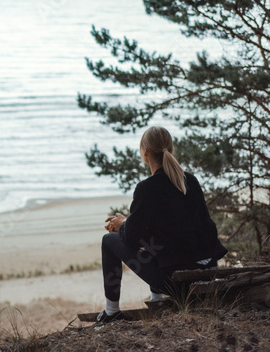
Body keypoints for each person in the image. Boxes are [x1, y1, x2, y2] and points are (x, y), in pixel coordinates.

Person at [96, 125, 227, 323]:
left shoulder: (147, 189)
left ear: (145, 153)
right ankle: (157, 300)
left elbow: (131, 238)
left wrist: (122, 224)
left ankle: (112, 312)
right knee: (156, 235)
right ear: (171, 149)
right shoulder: (191, 181)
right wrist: (128, 222)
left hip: (177, 283)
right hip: (207, 273)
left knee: (108, 241)